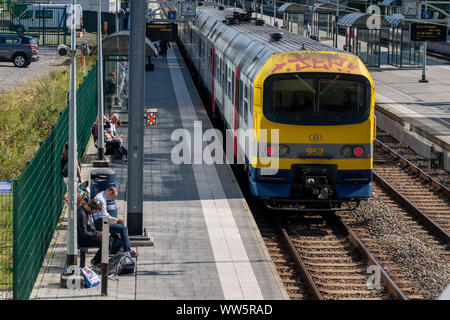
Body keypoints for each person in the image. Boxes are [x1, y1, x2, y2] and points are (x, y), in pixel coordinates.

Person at [93, 187, 138, 258]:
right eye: (112, 197)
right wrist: (116, 220)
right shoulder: (101, 199)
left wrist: (116, 220)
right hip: (100, 223)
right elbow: (104, 216)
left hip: (103, 221)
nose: (111, 199)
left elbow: (106, 214)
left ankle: (118, 247)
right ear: (110, 192)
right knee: (123, 229)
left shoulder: (101, 195)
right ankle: (127, 251)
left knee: (120, 225)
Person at [77, 199, 114, 268]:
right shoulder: (82, 214)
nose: (95, 213)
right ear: (92, 207)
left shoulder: (85, 210)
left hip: (88, 235)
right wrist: (96, 234)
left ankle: (98, 260)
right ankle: (96, 262)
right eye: (95, 211)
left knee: (110, 239)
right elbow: (84, 233)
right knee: (106, 243)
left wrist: (96, 232)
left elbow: (87, 228)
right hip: (82, 240)